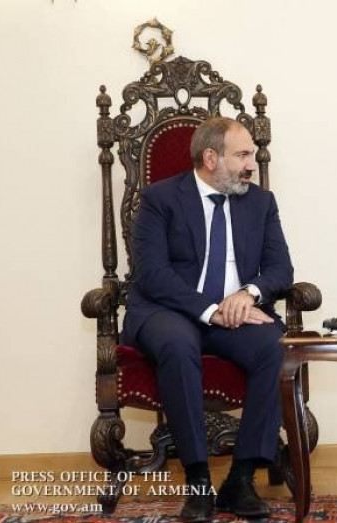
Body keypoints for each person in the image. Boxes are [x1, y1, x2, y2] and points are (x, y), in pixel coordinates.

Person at [121, 117, 293, 521]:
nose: (252, 165)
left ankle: (241, 479)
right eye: (243, 155)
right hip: (170, 310)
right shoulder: (160, 199)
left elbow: (280, 269)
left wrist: (247, 295)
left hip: (234, 311)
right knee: (178, 345)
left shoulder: (260, 202)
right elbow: (152, 273)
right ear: (211, 157)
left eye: (252, 155)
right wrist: (210, 309)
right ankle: (198, 482)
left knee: (275, 346)